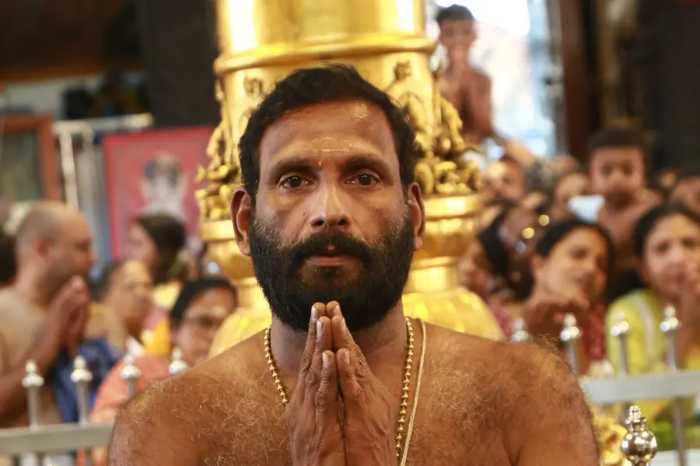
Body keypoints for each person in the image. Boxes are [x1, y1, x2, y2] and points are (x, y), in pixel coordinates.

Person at [110, 66, 597, 465]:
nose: (329, 210)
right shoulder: (168, 426)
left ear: (416, 216)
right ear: (243, 222)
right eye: (294, 180)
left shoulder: (526, 393)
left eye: (363, 177)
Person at [87, 277, 236, 466]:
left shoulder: (240, 381)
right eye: (204, 322)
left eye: (228, 326)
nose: (216, 335)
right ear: (174, 329)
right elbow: (99, 448)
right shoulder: (139, 374)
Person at [0, 202, 94, 427]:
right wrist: (47, 345)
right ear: (43, 249)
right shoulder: (4, 312)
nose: (93, 258)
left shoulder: (100, 314)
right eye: (82, 248)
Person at [606, 204, 700, 376]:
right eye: (662, 248)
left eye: (690, 244)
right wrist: (688, 324)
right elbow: (634, 393)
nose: (679, 258)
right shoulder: (627, 313)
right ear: (643, 269)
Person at [523, 219, 614, 376]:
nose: (591, 269)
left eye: (601, 265)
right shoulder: (495, 321)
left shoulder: (607, 327)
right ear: (539, 265)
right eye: (578, 255)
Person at [588, 126, 660, 290]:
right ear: (591, 177)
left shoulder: (651, 212)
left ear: (644, 175)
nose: (617, 178)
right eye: (606, 171)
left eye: (627, 171)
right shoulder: (593, 212)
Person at [125, 213, 188, 354]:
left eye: (138, 244)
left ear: (162, 252)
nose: (129, 252)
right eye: (129, 242)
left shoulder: (176, 296)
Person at [436, 4, 494, 145]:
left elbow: (485, 128)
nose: (458, 39)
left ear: (474, 36)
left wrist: (465, 80)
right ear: (441, 38)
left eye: (465, 32)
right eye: (450, 33)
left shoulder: (482, 80)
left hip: (475, 151)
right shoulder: (434, 81)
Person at [88, 260, 154, 355]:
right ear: (105, 295)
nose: (142, 294)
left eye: (147, 286)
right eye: (131, 286)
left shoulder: (155, 340)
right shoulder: (93, 343)